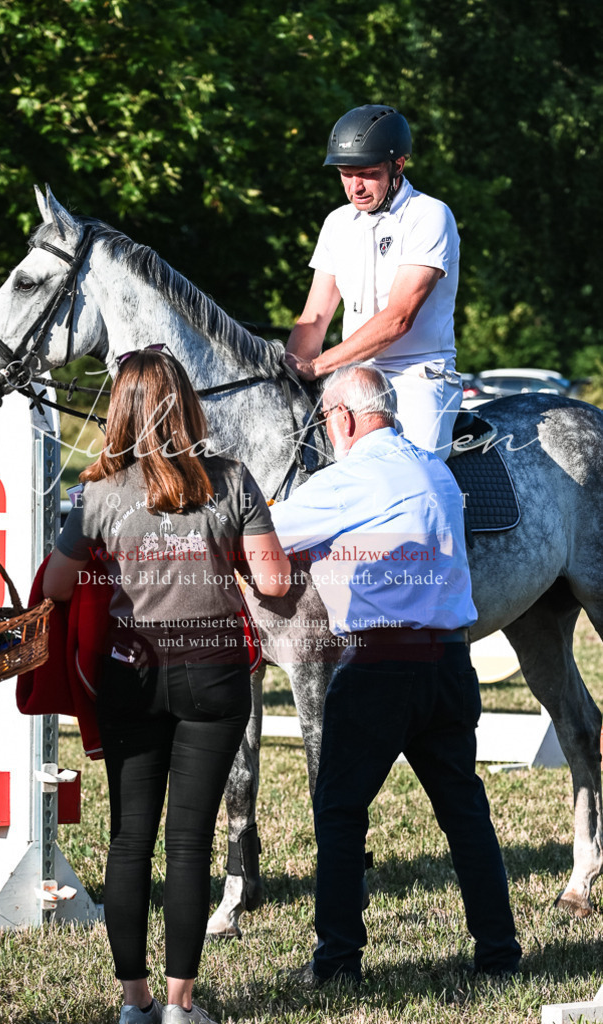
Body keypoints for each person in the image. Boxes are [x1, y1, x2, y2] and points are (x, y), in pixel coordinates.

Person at [43, 349, 291, 1024]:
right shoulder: (233, 480)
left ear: (118, 411)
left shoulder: (95, 494)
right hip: (213, 675)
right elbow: (273, 583)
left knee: (129, 841)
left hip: (131, 675)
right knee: (189, 844)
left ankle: (136, 1005)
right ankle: (181, 1007)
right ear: (185, 407)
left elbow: (60, 586)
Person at [269, 364, 521, 985]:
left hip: (380, 664)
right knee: (464, 811)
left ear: (345, 418)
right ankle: (498, 953)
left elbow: (264, 537)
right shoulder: (433, 466)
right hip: (450, 663)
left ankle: (337, 962)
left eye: (327, 419)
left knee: (339, 810)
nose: (326, 432)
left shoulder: (348, 478)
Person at [284, 104, 462, 460]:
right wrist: (290, 372)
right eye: (345, 175)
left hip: (417, 376)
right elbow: (315, 318)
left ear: (398, 165)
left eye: (366, 173)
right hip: (353, 375)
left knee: (413, 469)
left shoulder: (429, 216)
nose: (355, 187)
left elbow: (399, 318)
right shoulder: (337, 223)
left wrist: (318, 367)